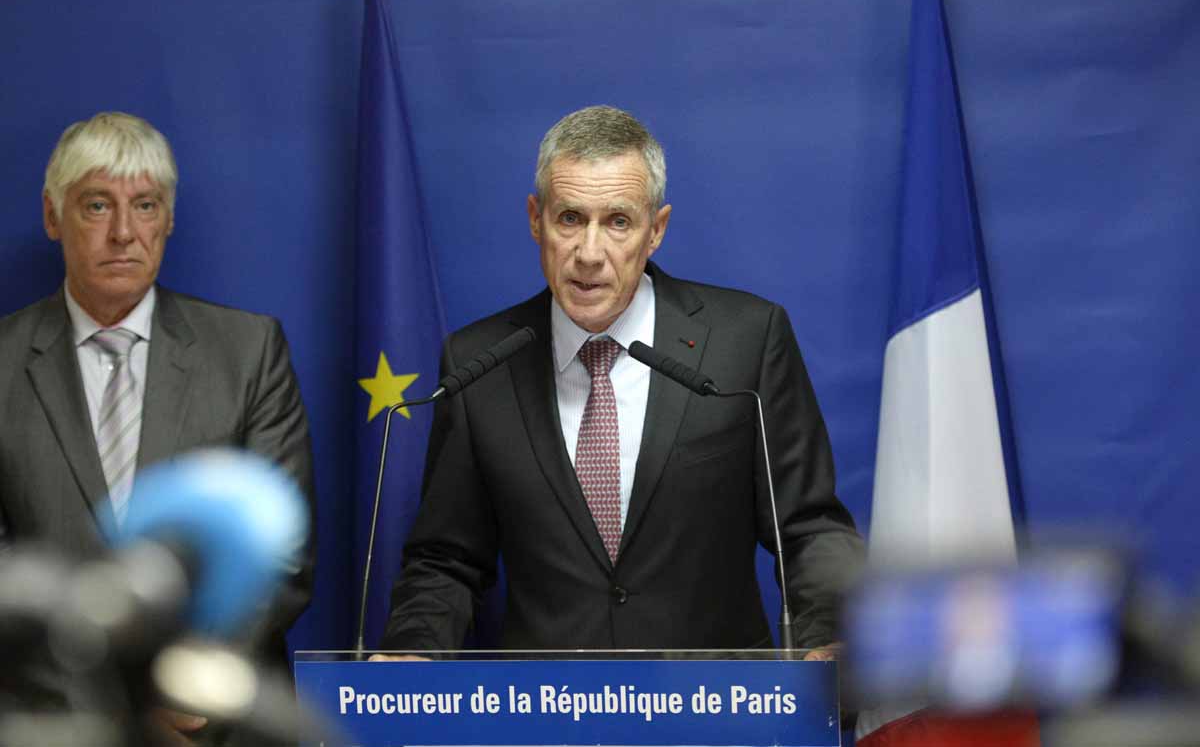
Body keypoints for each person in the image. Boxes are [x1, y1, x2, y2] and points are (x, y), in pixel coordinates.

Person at [380, 105, 862, 655]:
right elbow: (446, 560)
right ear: (536, 218)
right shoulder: (478, 363)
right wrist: (411, 653)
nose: (589, 254)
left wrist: (828, 640)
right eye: (569, 219)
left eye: (617, 222)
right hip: (552, 718)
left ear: (655, 230)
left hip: (715, 713)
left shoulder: (746, 342)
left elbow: (807, 528)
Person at [0, 112, 316, 743]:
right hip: (43, 722)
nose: (123, 233)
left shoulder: (248, 349)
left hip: (210, 723)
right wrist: (105, 698)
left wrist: (183, 686)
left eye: (144, 205)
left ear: (168, 218)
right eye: (96, 205)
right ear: (52, 215)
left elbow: (279, 555)